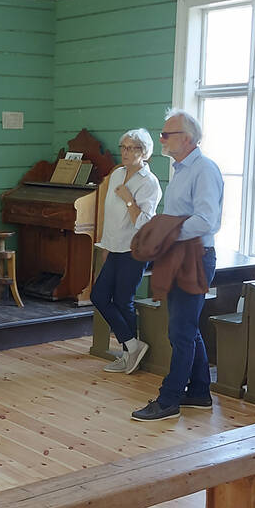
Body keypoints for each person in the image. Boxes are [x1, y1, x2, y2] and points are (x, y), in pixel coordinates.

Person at [131, 109, 223, 421]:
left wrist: (166, 233)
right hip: (179, 255)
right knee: (185, 327)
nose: (162, 139)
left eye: (166, 134)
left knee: (180, 331)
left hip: (194, 256)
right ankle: (199, 392)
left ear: (186, 138)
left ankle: (169, 400)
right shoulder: (182, 170)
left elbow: (207, 220)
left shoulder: (204, 170)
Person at [91, 129, 162, 374]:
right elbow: (109, 214)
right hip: (115, 246)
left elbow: (144, 222)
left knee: (123, 301)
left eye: (132, 148)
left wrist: (129, 199)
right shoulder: (117, 174)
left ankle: (128, 354)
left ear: (144, 153)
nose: (126, 152)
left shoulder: (149, 182)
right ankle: (133, 346)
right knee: (98, 296)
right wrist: (106, 245)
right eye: (123, 147)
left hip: (135, 249)